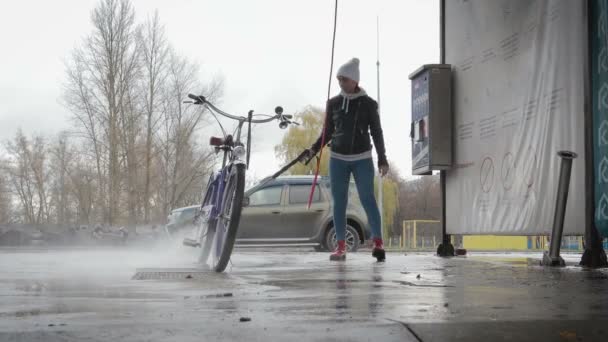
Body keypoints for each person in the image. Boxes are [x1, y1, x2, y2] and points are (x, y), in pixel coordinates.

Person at [302, 57, 389, 262]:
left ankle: (378, 243)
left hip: (362, 158)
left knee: (368, 198)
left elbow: (376, 132)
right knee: (339, 202)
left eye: (345, 79)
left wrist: (382, 159)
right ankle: (340, 247)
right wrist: (314, 149)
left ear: (355, 80)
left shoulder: (369, 104)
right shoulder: (333, 103)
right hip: (338, 159)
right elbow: (327, 131)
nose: (341, 83)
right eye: (339, 79)